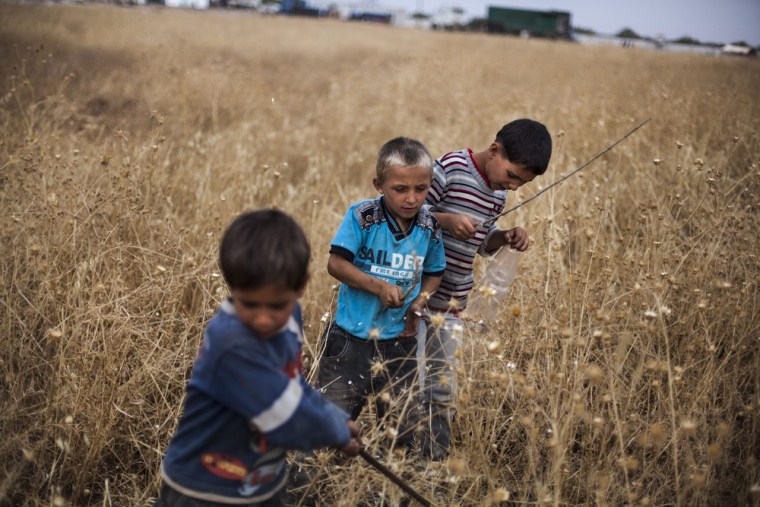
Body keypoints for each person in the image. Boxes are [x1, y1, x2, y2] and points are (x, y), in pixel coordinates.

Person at [155, 209, 361, 507]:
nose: (263, 320)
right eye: (249, 305)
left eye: (276, 306)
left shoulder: (291, 318)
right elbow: (284, 420)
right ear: (232, 287)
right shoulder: (233, 344)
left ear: (301, 285)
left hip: (259, 482)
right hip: (204, 488)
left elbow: (292, 385)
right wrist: (334, 431)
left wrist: (335, 418)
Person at [418, 118, 552, 460]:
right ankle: (401, 453)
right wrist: (446, 220)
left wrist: (503, 237)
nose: (514, 187)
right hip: (415, 299)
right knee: (409, 385)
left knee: (443, 389)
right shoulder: (449, 169)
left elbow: (481, 243)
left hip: (451, 306)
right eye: (512, 176)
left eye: (522, 183)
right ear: (494, 151)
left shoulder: (497, 194)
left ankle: (432, 463)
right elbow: (408, 213)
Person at [316, 136, 446, 450]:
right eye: (400, 189)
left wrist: (420, 302)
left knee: (402, 429)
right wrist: (379, 287)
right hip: (350, 341)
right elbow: (336, 263)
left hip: (400, 343)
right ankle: (314, 488)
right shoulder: (362, 217)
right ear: (379, 185)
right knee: (329, 429)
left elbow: (434, 272)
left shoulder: (429, 226)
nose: (412, 198)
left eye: (421, 188)